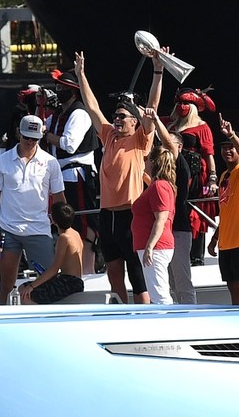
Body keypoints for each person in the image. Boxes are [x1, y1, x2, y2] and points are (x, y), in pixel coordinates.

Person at [74, 50, 156, 304]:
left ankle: (145, 316)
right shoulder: (109, 136)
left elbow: (152, 108)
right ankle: (122, 313)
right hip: (106, 215)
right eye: (116, 116)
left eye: (122, 116)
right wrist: (81, 75)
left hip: (129, 213)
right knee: (113, 273)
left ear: (134, 121)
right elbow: (93, 108)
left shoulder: (140, 140)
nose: (116, 119)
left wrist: (158, 71)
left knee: (137, 274)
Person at [0, 115, 66, 305]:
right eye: (26, 137)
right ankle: (3, 321)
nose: (30, 142)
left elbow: (59, 198)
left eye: (35, 138)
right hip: (8, 230)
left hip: (39, 229)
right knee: (6, 284)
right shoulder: (2, 161)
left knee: (48, 280)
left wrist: (65, 229)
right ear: (18, 134)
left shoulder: (50, 162)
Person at [42, 69, 100, 275]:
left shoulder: (79, 113)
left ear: (73, 91)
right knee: (65, 221)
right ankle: (69, 265)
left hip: (78, 176)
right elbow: (42, 127)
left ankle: (88, 268)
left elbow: (69, 144)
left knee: (84, 221)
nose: (58, 91)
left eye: (62, 88)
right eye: (57, 87)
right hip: (61, 177)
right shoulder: (58, 114)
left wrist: (48, 136)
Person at [207, 116, 239, 306]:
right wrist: (215, 238)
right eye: (224, 147)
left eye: (231, 147)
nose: (227, 151)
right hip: (226, 240)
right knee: (232, 285)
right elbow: (225, 210)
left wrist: (232, 136)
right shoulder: (223, 176)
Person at [164, 87, 219, 266]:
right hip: (172, 174)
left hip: (195, 177)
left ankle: (196, 256)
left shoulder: (202, 127)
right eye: (179, 103)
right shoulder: (170, 124)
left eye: (186, 103)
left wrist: (212, 178)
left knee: (195, 213)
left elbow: (209, 154)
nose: (182, 106)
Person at [149, 114, 196, 303]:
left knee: (182, 281)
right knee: (168, 284)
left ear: (179, 147)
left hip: (178, 229)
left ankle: (191, 317)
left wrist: (156, 120)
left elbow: (168, 144)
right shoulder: (161, 175)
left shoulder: (181, 165)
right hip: (165, 231)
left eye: (167, 143)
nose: (163, 147)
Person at [131, 135, 177, 304]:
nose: (146, 161)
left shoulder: (159, 186)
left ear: (154, 162)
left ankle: (167, 324)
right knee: (157, 290)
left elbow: (161, 218)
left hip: (156, 247)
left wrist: (150, 246)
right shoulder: (159, 185)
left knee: (159, 294)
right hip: (153, 246)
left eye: (148, 159)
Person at [18, 201, 84, 304]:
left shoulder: (63, 238)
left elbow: (54, 269)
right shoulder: (75, 233)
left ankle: (41, 318)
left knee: (25, 292)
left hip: (68, 283)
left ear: (53, 220)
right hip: (76, 282)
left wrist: (32, 286)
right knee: (24, 287)